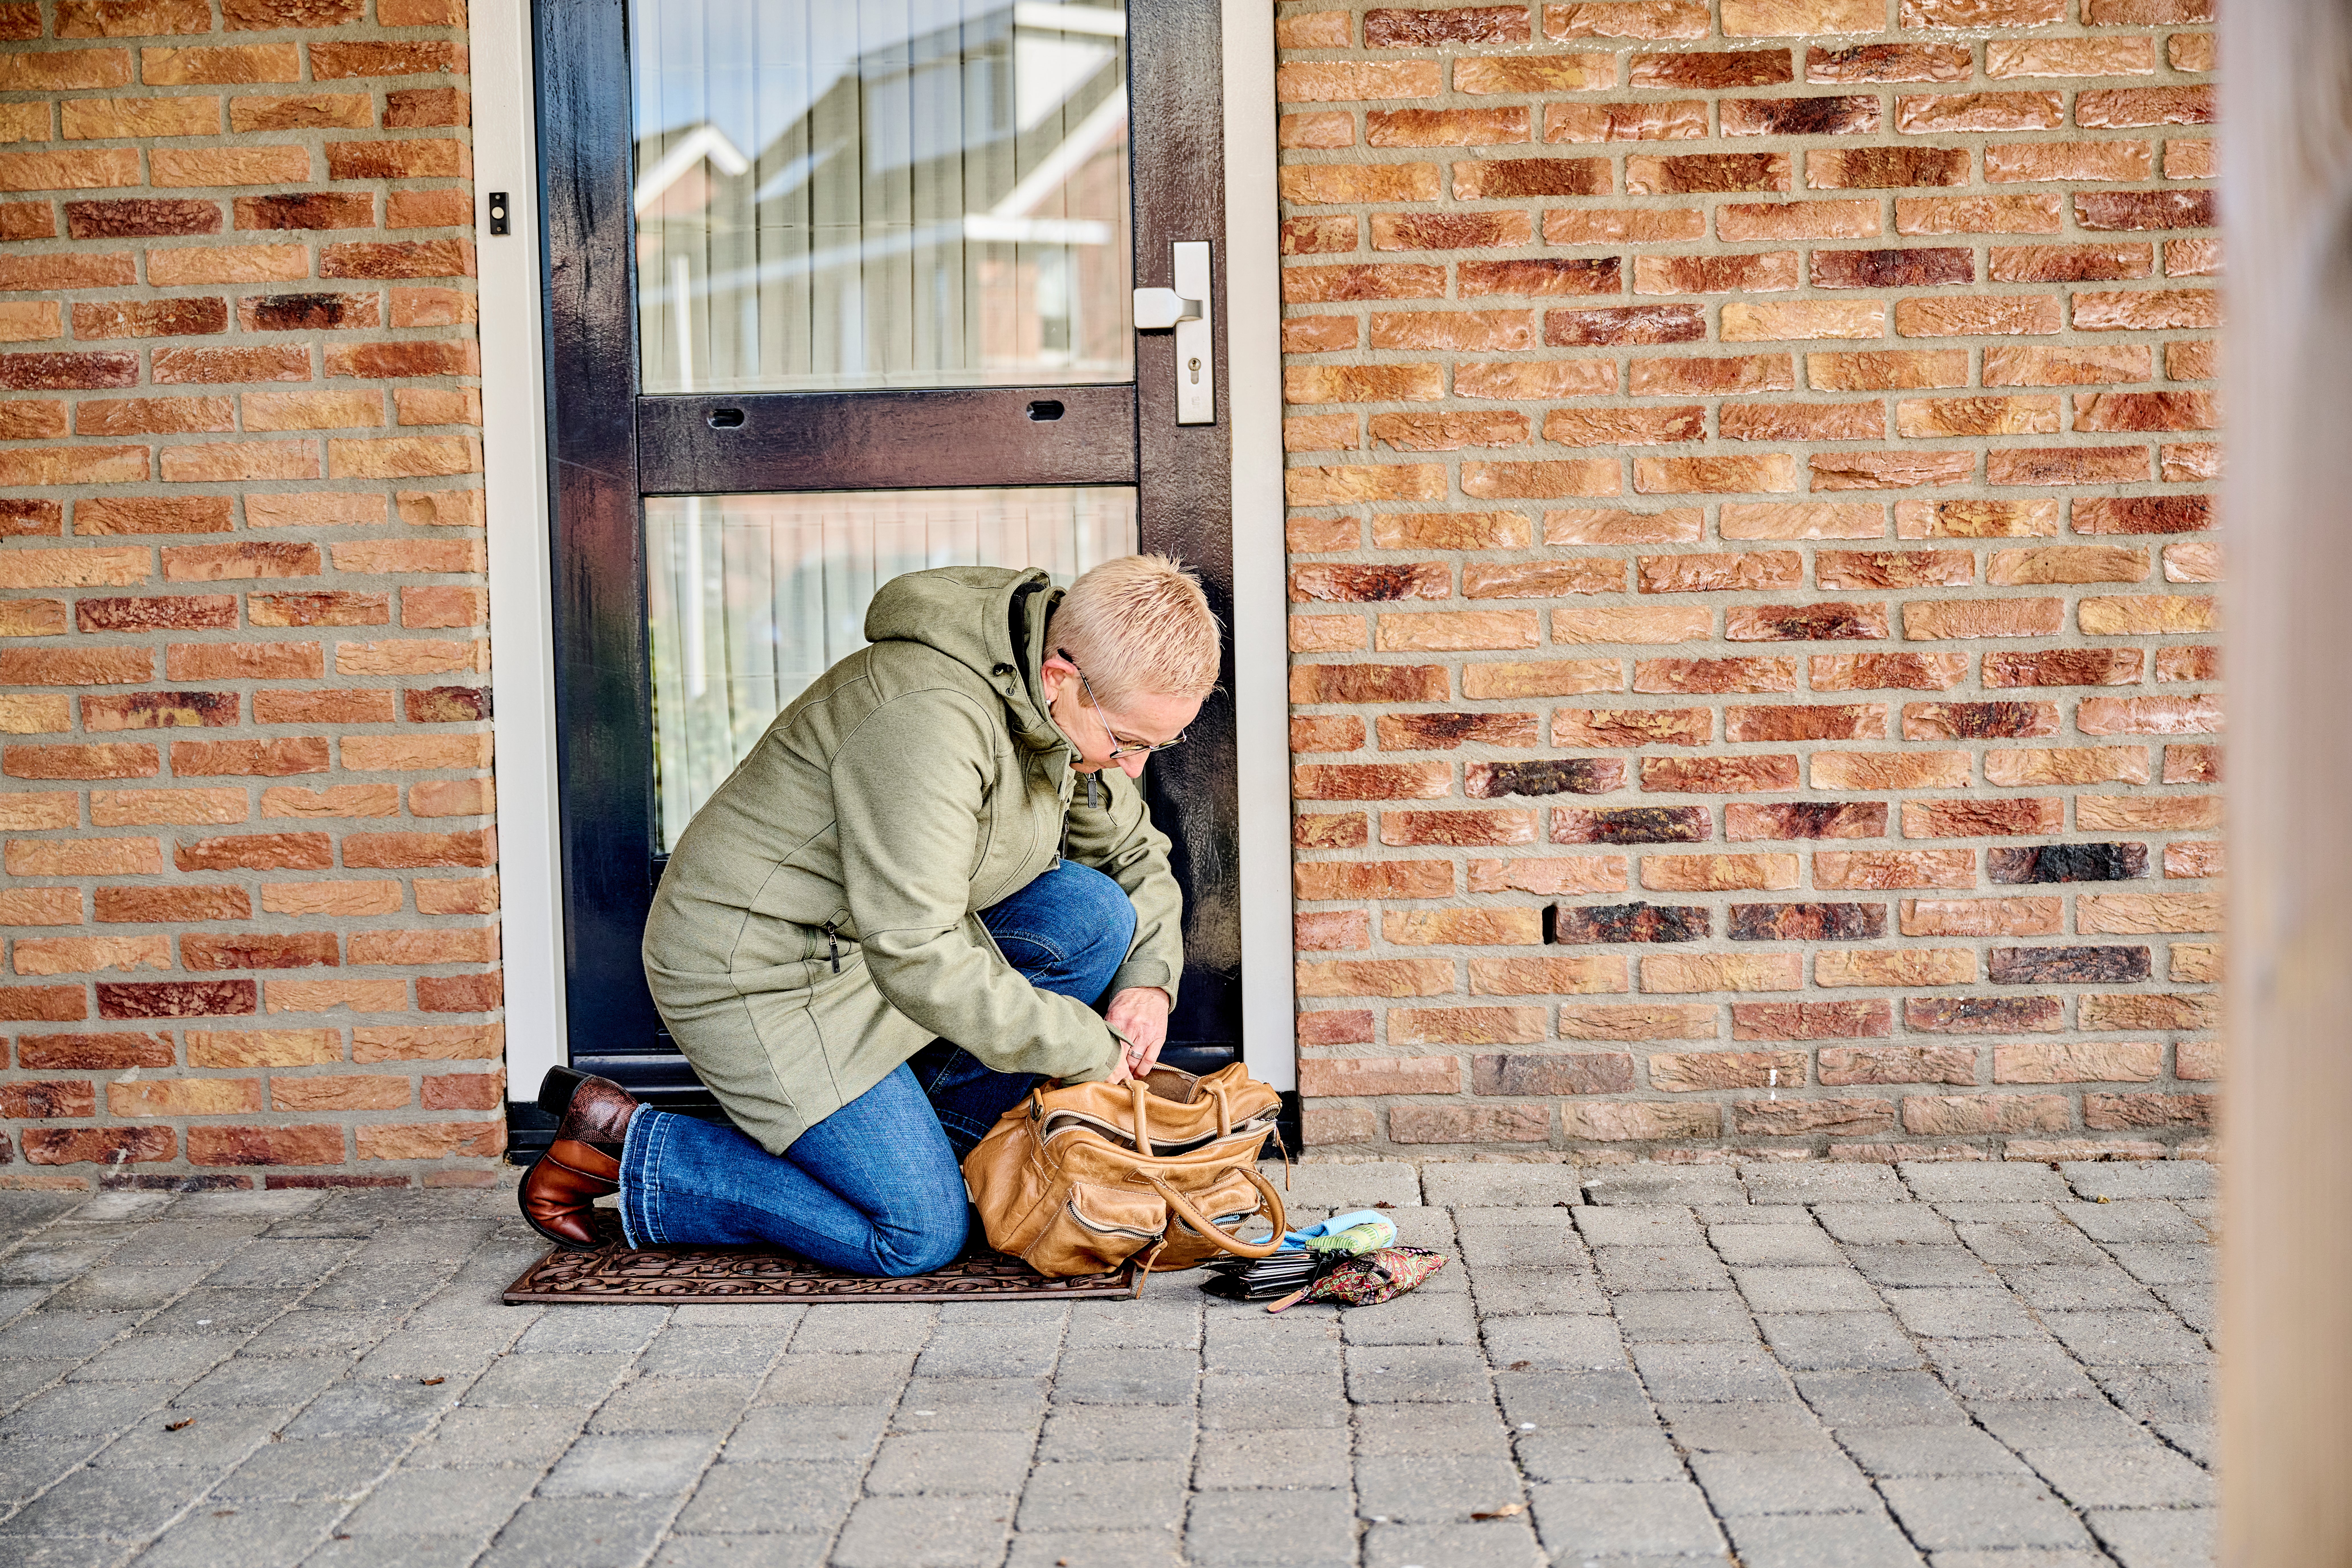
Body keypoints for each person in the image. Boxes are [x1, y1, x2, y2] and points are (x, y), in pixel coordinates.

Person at [518, 556, 1219, 1275]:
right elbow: (917, 951)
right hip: (761, 969)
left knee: (1093, 914)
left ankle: (910, 1156)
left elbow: (1132, 856)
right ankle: (625, 1148)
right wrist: (1090, 1047)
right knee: (918, 1235)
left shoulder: (1063, 712)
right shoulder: (929, 718)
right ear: (1059, 678)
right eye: (1130, 742)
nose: (1135, 767)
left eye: (1158, 745)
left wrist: (1148, 983)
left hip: (874, 945)